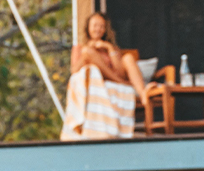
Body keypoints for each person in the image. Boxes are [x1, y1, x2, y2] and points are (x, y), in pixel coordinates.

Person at [60, 12, 151, 140]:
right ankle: (124, 84)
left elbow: (119, 71)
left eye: (101, 26)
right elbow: (74, 71)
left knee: (129, 58)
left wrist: (108, 48)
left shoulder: (111, 48)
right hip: (97, 82)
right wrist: (87, 54)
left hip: (115, 79)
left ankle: (143, 95)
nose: (98, 29)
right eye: (95, 25)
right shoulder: (80, 48)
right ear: (88, 28)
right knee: (88, 52)